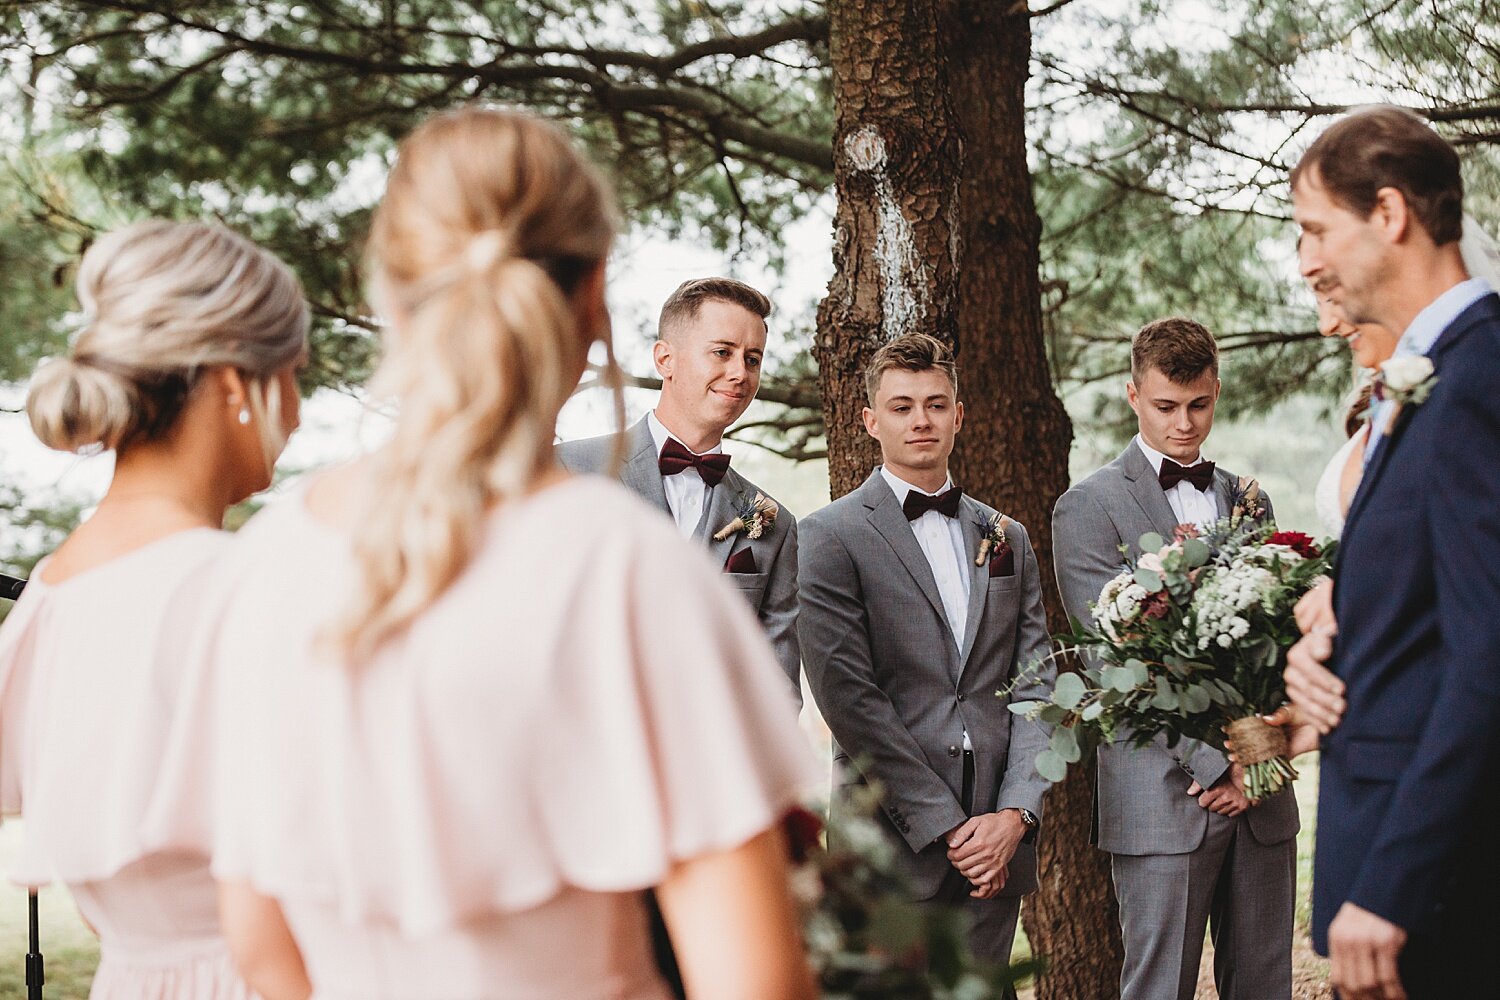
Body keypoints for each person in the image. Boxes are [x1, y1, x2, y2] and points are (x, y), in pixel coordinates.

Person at [194, 106, 819, 1000]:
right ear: (594, 295)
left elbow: (260, 943)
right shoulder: (628, 572)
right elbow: (754, 983)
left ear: (387, 293)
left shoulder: (266, 560)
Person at [0, 219, 308, 998]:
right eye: (295, 376)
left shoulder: (50, 595)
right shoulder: (234, 589)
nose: (300, 413)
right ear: (240, 382)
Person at [1277, 105, 1500, 1000]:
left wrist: (1394, 883)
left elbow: (1488, 653)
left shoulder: (1479, 378)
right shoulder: (1431, 375)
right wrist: (1328, 635)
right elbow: (1431, 610)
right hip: (1398, 873)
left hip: (1438, 889)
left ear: (1391, 213)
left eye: (1315, 229)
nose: (1308, 262)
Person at [1051, 317, 1297, 1000]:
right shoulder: (1086, 508)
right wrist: (1220, 766)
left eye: (1199, 405)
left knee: (1265, 987)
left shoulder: (1249, 500)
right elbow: (1112, 661)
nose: (1184, 424)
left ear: (1216, 390)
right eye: (1166, 407)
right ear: (1134, 396)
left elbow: (1272, 647)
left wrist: (1257, 762)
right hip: (1162, 797)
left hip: (1262, 794)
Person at [798, 332, 1053, 969]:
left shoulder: (1007, 537)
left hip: (997, 838)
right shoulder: (827, 538)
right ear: (871, 421)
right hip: (889, 842)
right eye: (903, 405)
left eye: (936, 404)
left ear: (958, 415)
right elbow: (850, 700)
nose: (921, 420)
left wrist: (1015, 814)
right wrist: (948, 829)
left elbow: (1038, 683)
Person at [558, 277, 801, 706]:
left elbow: (776, 686)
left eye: (753, 359)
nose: (739, 373)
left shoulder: (773, 523)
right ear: (665, 358)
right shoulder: (567, 472)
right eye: (722, 352)